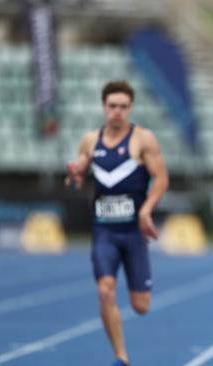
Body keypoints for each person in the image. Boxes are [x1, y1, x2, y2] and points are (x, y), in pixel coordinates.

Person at [65, 80, 169, 366]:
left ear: (130, 108)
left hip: (134, 234)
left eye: (123, 106)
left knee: (141, 306)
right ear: (104, 107)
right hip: (104, 232)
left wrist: (146, 209)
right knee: (105, 289)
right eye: (112, 106)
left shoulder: (142, 139)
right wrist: (74, 178)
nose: (117, 112)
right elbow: (77, 175)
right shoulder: (90, 141)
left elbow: (161, 178)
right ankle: (121, 357)